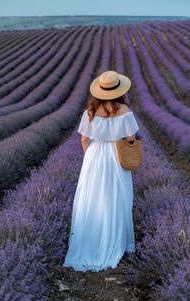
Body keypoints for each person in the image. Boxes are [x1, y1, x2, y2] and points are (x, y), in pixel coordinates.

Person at [63, 70, 140, 272]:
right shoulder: (125, 111)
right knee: (116, 199)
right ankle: (114, 242)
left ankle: (90, 241)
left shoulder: (89, 112)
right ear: (119, 90)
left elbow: (83, 139)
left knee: (91, 199)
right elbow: (131, 138)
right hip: (116, 156)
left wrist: (90, 156)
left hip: (94, 156)